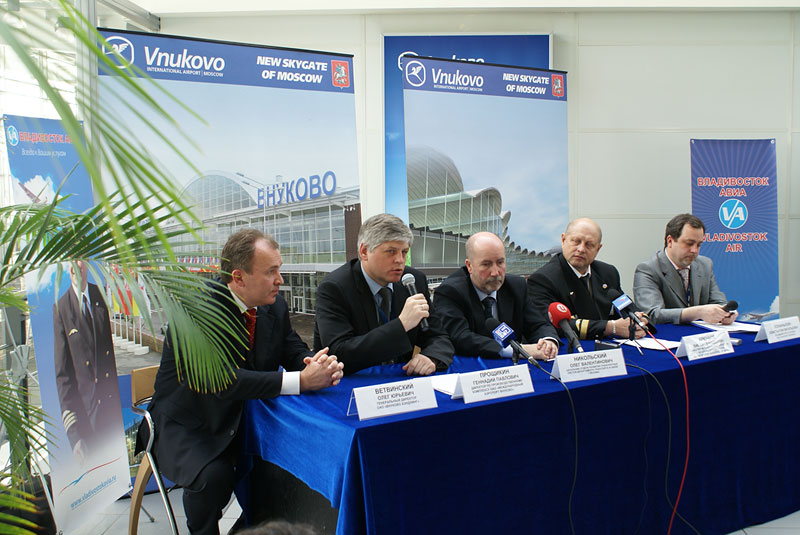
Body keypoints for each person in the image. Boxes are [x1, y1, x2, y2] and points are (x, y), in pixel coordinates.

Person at [142, 230, 344, 535]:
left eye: (279, 269)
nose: (280, 280)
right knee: (214, 476)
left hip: (244, 418)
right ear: (238, 277)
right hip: (191, 423)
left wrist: (315, 365)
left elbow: (290, 346)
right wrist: (301, 381)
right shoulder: (196, 311)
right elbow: (221, 380)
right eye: (271, 271)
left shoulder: (273, 305)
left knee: (289, 459)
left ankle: (257, 527)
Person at [313, 213, 453, 375]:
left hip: (400, 380)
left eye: (404, 252)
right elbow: (339, 353)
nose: (400, 260)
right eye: (391, 251)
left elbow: (438, 336)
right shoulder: (334, 287)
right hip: (352, 382)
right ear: (364, 251)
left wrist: (431, 357)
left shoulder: (413, 281)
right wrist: (402, 325)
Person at [432, 232, 558, 360]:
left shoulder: (517, 286)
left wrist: (548, 342)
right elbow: (460, 338)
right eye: (486, 264)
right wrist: (518, 350)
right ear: (469, 266)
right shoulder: (450, 292)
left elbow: (538, 324)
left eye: (500, 262)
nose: (495, 272)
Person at [527, 218, 647, 340]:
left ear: (598, 249)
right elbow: (552, 325)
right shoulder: (543, 279)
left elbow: (626, 307)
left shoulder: (608, 272)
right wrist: (611, 327)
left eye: (589, 245)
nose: (581, 249)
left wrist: (639, 320)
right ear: (563, 240)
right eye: (576, 241)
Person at [53, 260, 124, 464]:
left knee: (114, 472)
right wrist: (74, 436)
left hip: (110, 412)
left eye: (79, 259)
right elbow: (63, 376)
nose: (75, 266)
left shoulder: (99, 294)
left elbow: (108, 358)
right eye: (70, 261)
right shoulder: (61, 308)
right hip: (87, 419)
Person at [633, 213, 735, 325]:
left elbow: (718, 301)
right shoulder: (648, 269)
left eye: (699, 245)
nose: (694, 250)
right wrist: (698, 312)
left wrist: (726, 312)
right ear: (670, 241)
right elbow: (652, 314)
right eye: (689, 243)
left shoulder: (705, 264)